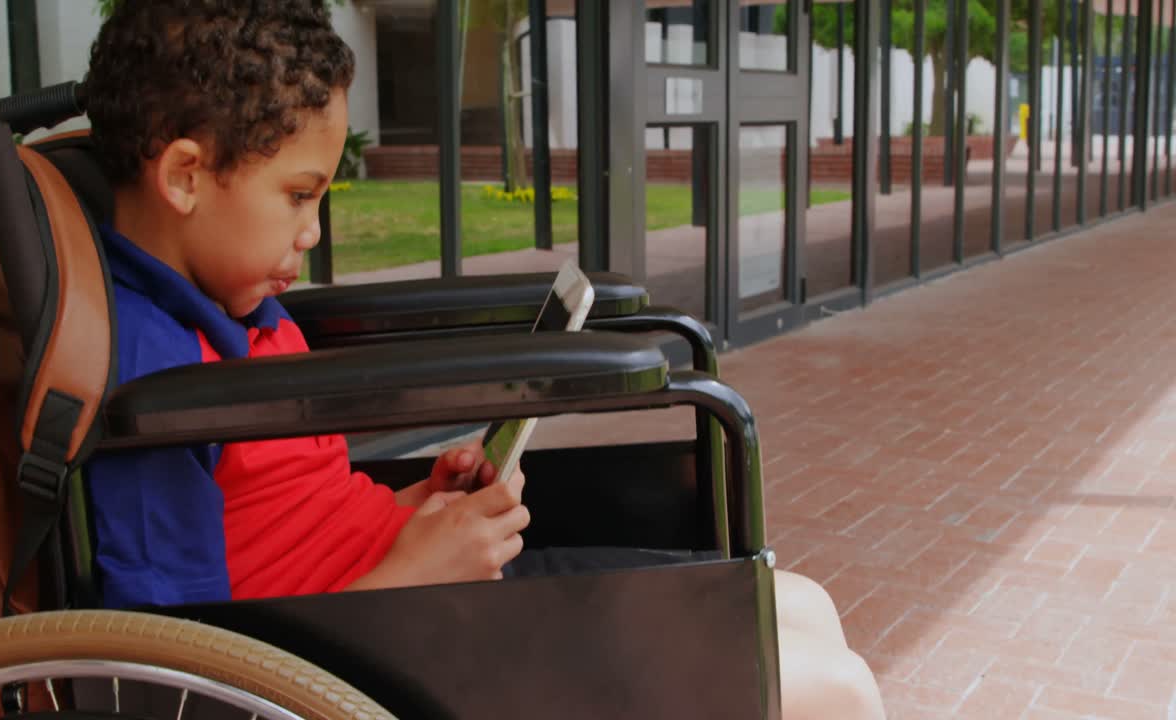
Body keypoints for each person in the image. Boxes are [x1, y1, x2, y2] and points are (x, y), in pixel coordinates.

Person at [80, 2, 885, 718]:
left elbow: (291, 516)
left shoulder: (232, 309)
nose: (313, 232)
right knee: (829, 693)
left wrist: (416, 505)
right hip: (372, 658)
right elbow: (178, 685)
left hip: (413, 600)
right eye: (298, 195)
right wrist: (413, 574)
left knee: (801, 606)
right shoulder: (151, 383)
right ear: (186, 175)